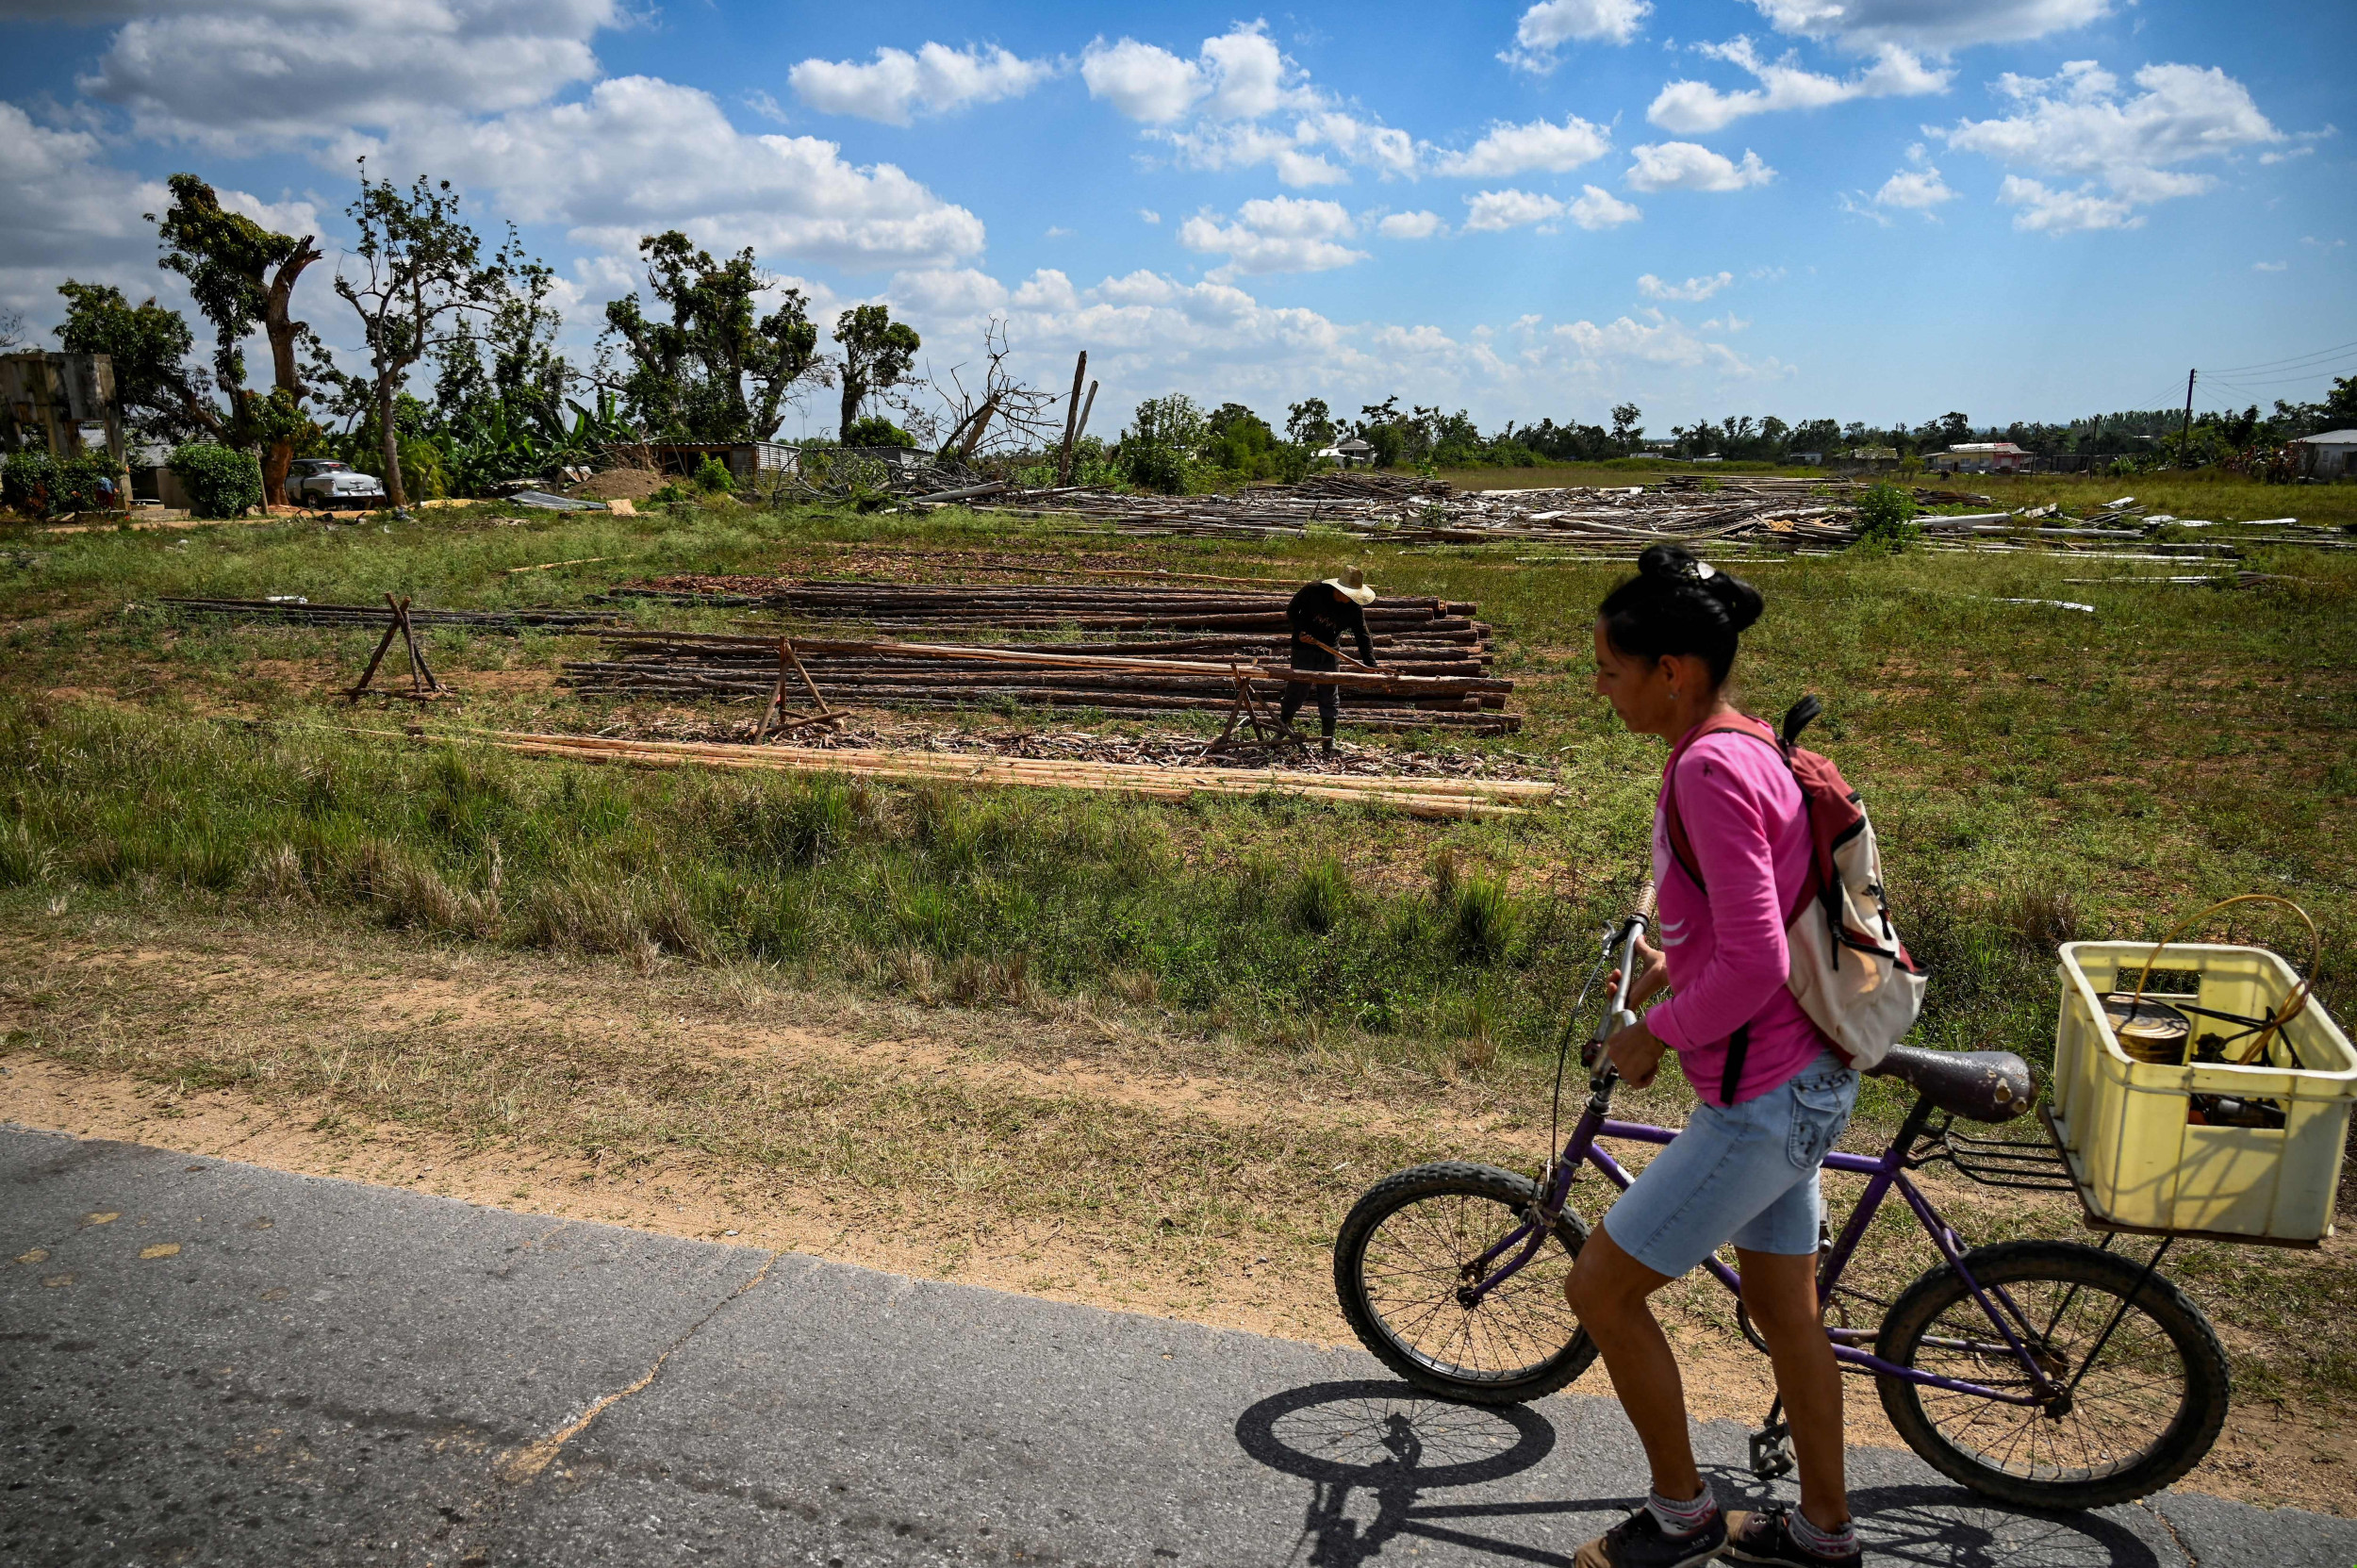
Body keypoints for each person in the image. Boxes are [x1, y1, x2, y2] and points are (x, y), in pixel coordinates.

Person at [1569, 543, 1864, 1568]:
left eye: (1610, 668)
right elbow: (1746, 926)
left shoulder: (1704, 766)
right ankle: (1822, 1534)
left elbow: (1755, 958)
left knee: (1598, 1291)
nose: (1598, 686)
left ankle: (1682, 1513)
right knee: (1784, 1308)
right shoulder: (1744, 744)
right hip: (1804, 1077)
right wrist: (1669, 965)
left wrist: (1652, 1035)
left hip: (1762, 1098)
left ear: (1673, 668)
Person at [1280, 567, 1377, 758]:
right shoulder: (1313, 591)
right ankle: (1282, 731)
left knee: (1330, 696)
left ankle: (1328, 741)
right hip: (1304, 647)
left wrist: (1371, 665)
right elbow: (1292, 611)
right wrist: (1300, 632)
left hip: (1330, 650)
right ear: (1338, 589)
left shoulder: (1354, 607)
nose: (1348, 597)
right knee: (1297, 690)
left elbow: (1362, 635)